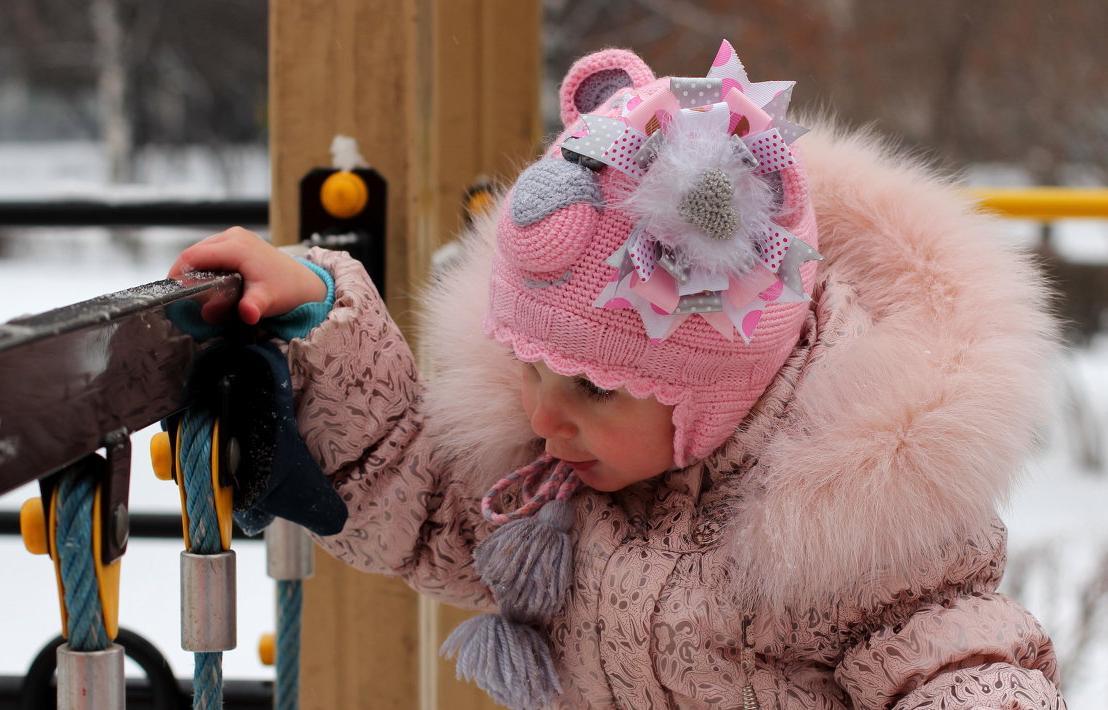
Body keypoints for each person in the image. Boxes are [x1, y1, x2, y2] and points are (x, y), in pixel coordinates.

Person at [170, 42, 1066, 710]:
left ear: (717, 384)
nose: (545, 420)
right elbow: (417, 498)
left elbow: (958, 667)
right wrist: (323, 314)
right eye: (528, 369)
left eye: (593, 388)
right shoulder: (557, 486)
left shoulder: (856, 524)